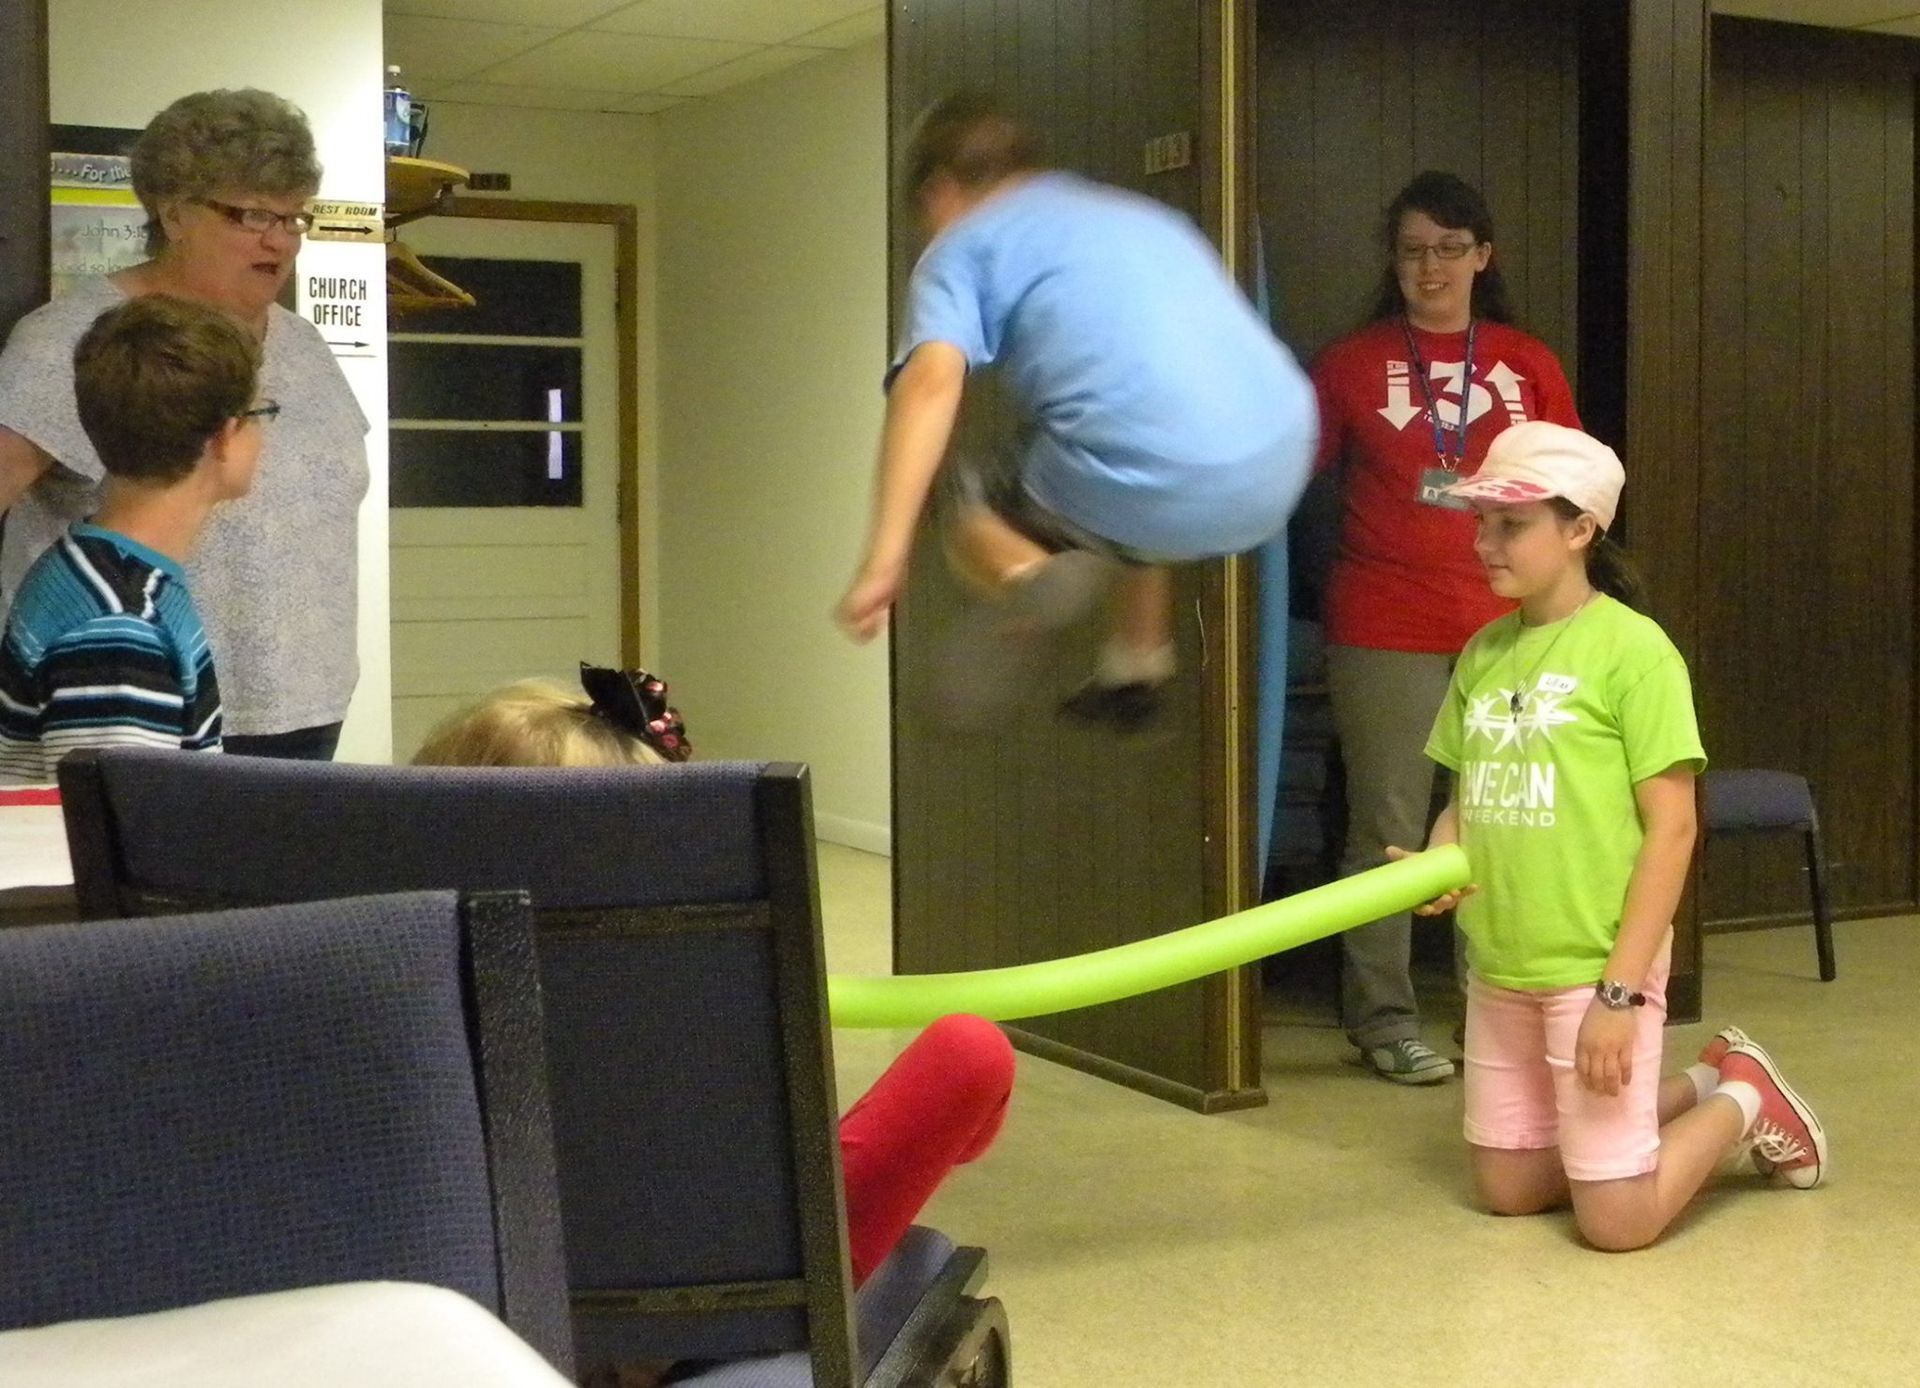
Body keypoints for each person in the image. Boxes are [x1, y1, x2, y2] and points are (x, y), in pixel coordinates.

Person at [413, 667, 1017, 1290]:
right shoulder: (700, 985)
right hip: (718, 1300)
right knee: (971, 1051)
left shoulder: (398, 982)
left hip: (469, 1294)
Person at [1403, 420, 1825, 1251]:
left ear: (1580, 529)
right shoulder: (1484, 651)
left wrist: (1618, 996)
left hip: (1597, 970)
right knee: (1510, 1189)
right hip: (1502, 963)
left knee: (1617, 1223)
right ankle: (1703, 1077)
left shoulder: (1637, 654)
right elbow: (1466, 800)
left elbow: (1673, 832)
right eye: (1481, 522)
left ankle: (1744, 1099)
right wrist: (1434, 863)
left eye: (1511, 524)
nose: (1485, 542)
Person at [836, 93, 1315, 730]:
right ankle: (1137, 659)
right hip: (1280, 454)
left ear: (940, 190)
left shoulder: (962, 246)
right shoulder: (1136, 216)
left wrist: (883, 558)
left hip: (1146, 466)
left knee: (973, 493)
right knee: (1126, 469)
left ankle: (1029, 573)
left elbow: (928, 385)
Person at [1309, 171, 1582, 1084]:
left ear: (1482, 257)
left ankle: (1496, 1015)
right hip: (1383, 620)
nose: (1431, 266)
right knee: (1384, 827)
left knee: (1501, 821)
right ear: (1394, 261)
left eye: (1449, 248)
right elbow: (1289, 474)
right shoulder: (1350, 363)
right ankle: (1384, 1019)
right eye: (1414, 249)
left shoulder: (1524, 360)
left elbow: (1572, 483)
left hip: (1507, 623)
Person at [0, 88, 368, 761]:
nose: (279, 240)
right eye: (253, 214)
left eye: (293, 218)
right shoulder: (76, 340)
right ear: (174, 212)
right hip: (130, 690)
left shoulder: (304, 347)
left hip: (306, 706)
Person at [0, 295, 265, 782]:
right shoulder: (121, 632)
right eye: (259, 414)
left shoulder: (98, 568)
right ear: (225, 437)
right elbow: (117, 840)